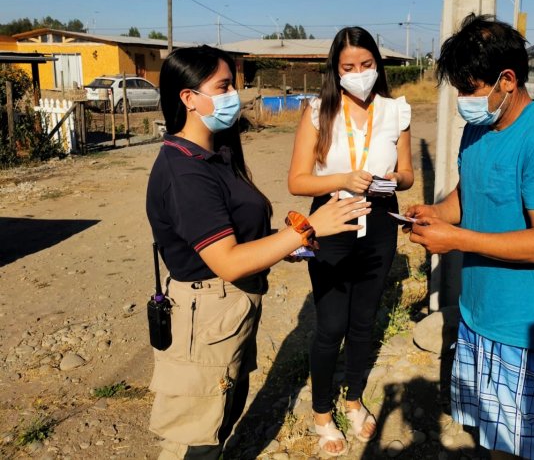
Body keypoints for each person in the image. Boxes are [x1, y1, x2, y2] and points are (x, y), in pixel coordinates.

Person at [145, 45, 371, 460]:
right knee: (200, 437)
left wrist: (286, 242)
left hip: (230, 308)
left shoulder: (215, 154)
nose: (235, 93)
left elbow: (233, 232)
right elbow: (227, 260)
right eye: (224, 85)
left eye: (234, 83)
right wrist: (309, 229)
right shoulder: (184, 171)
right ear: (189, 98)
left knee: (224, 414)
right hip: (206, 313)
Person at [405, 14, 534, 460]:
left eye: (470, 88)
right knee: (494, 437)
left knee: (531, 445)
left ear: (508, 79)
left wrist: (456, 240)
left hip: (522, 327)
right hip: (477, 313)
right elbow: (467, 201)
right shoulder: (477, 128)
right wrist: (434, 215)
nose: (464, 100)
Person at [288, 27, 414, 456]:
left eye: (366, 65)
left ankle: (354, 399)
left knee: (364, 323)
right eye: (348, 67)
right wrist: (343, 178)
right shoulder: (318, 111)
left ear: (377, 65)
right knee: (331, 325)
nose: (359, 73)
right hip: (333, 221)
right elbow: (296, 180)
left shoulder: (396, 111)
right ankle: (322, 413)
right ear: (335, 70)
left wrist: (394, 178)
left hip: (379, 222)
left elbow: (409, 174)